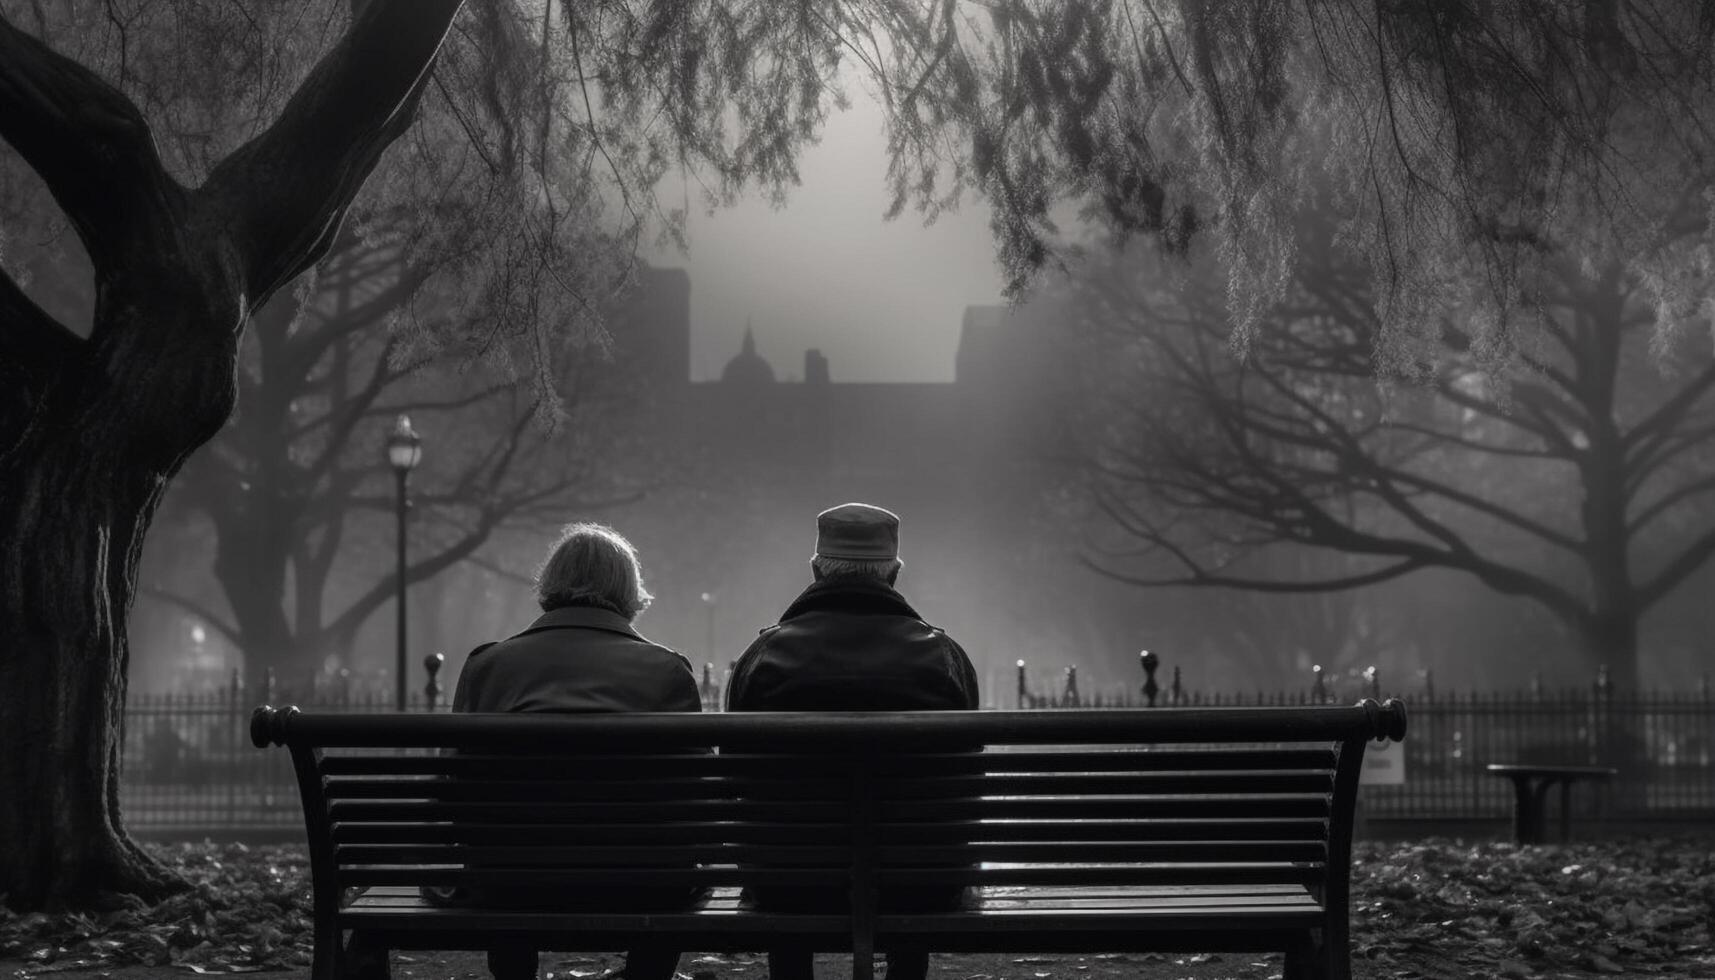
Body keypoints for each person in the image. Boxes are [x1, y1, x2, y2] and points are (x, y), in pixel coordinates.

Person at [725, 502, 980, 980]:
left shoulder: (762, 656)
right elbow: (962, 781)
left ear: (817, 569)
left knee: (781, 849)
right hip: (917, 885)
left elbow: (736, 774)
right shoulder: (945, 657)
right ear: (894, 574)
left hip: (789, 883)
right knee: (921, 848)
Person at [445, 522, 701, 980]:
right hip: (642, 887)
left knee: (503, 851)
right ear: (628, 591)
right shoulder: (667, 672)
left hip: (510, 886)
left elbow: (455, 790)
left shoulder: (488, 667)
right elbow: (694, 800)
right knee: (667, 870)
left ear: (550, 585)